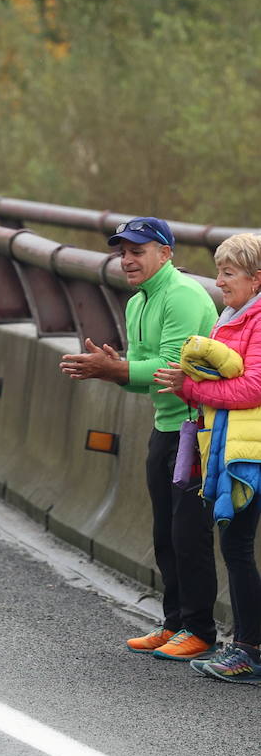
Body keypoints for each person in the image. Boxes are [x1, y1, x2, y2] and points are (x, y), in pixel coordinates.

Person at [60, 217, 219, 661]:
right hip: (165, 427)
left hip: (196, 428)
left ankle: (200, 630)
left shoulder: (182, 295)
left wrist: (117, 368)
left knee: (189, 534)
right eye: (122, 252)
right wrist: (115, 371)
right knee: (165, 533)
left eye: (138, 251)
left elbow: (171, 370)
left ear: (165, 253)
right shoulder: (137, 302)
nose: (127, 260)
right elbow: (143, 380)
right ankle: (175, 623)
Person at [154, 233, 261, 684]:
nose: (218, 282)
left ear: (256, 279)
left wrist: (192, 387)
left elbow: (253, 387)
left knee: (237, 546)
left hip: (250, 451)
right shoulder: (230, 317)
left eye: (228, 273)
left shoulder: (256, 319)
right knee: (235, 545)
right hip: (230, 445)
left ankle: (249, 651)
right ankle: (246, 646)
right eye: (218, 272)